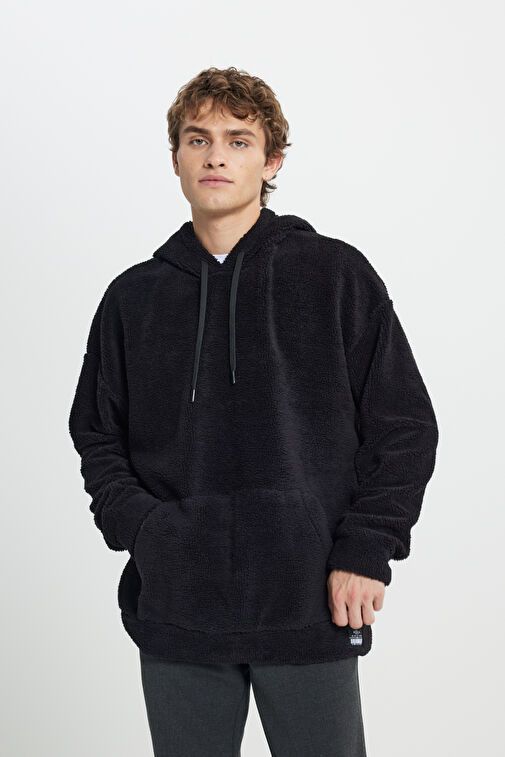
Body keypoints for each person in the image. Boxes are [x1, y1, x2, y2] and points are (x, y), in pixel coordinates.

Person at [68, 66, 439, 756]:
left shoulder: (334, 274)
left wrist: (366, 548)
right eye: (197, 139)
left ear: (271, 161)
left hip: (311, 599)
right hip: (178, 605)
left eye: (238, 141)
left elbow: (404, 426)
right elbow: (96, 433)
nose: (215, 156)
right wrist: (147, 530)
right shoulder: (133, 298)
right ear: (176, 158)